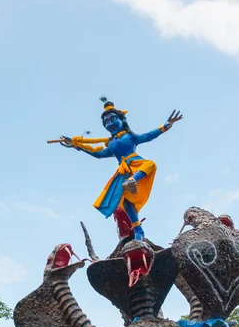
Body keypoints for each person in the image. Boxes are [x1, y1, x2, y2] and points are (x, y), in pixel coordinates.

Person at [59, 99, 182, 240]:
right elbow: (97, 154)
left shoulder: (130, 136)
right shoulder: (110, 143)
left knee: (150, 164)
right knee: (126, 202)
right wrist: (77, 145)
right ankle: (138, 231)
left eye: (113, 119)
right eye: (106, 122)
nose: (110, 123)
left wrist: (165, 127)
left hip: (136, 163)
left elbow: (148, 136)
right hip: (123, 171)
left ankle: (132, 181)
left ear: (121, 119)